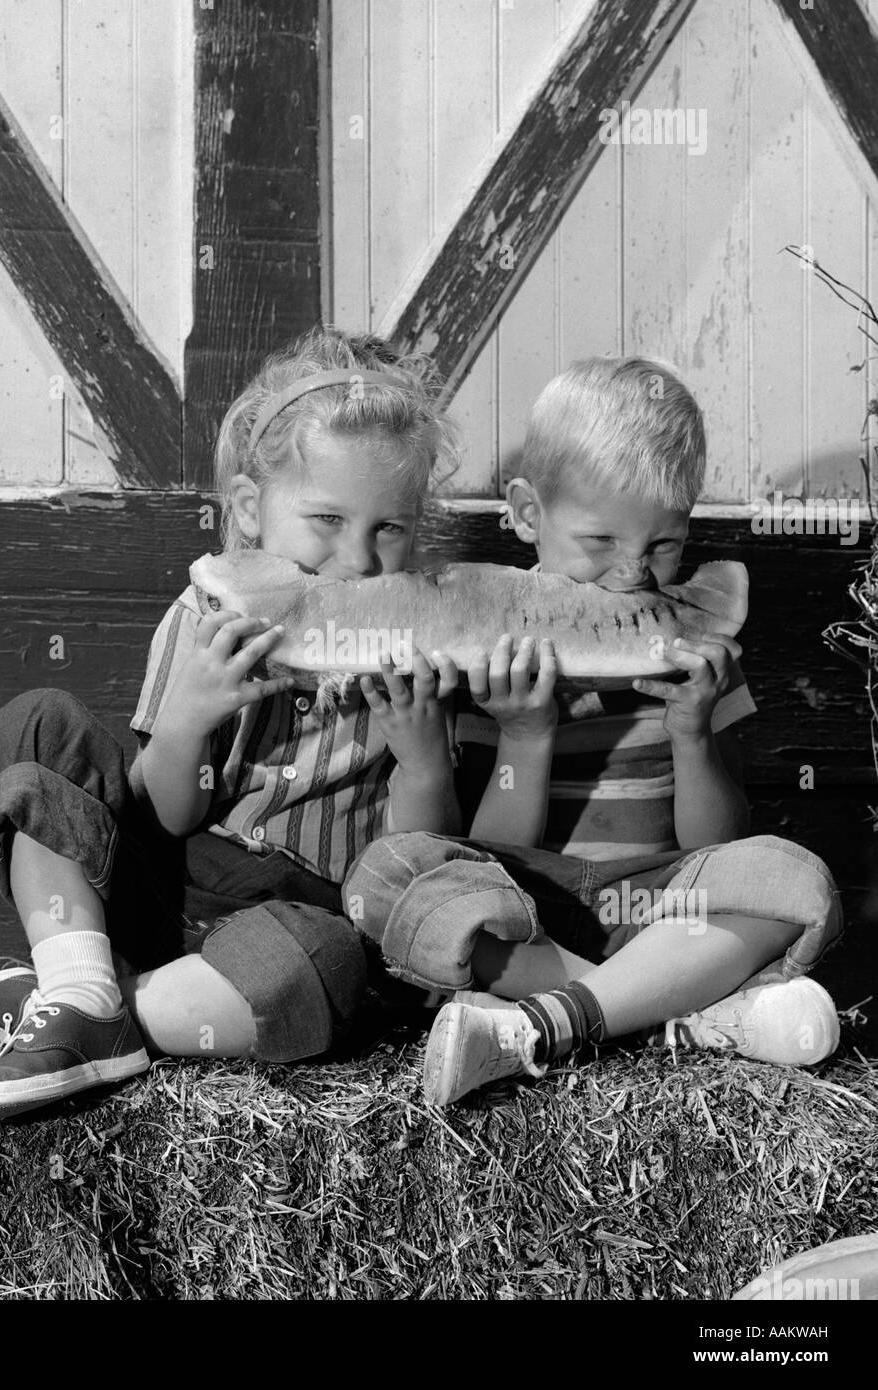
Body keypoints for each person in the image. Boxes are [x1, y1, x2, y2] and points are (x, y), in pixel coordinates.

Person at [0, 326, 463, 1121]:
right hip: (164, 892)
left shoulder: (425, 655)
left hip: (298, 923)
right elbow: (167, 813)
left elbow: (413, 864)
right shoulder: (203, 618)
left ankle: (70, 1012)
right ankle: (81, 980)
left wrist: (422, 758)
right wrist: (187, 720)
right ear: (252, 510)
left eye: (387, 528)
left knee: (323, 967)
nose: (357, 560)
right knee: (39, 723)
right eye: (326, 519)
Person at [343, 356, 842, 1106]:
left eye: (662, 545)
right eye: (600, 542)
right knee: (389, 876)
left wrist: (692, 735)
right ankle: (680, 1017)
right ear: (525, 511)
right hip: (530, 916)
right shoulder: (484, 655)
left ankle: (552, 1022)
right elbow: (487, 848)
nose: (630, 578)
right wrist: (523, 737)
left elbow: (716, 844)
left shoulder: (698, 660)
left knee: (791, 872)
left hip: (665, 912)